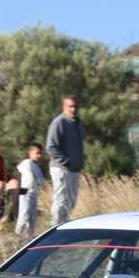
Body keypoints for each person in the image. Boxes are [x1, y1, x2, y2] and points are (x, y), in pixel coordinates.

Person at [46, 95, 85, 225]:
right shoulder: (59, 122)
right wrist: (66, 161)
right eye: (70, 106)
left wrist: (79, 161)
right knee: (60, 200)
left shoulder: (78, 123)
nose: (73, 109)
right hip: (61, 168)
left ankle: (63, 225)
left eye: (75, 106)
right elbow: (51, 147)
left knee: (71, 201)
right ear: (64, 107)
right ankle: (55, 227)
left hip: (75, 169)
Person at [15, 142, 45, 237]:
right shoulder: (26, 163)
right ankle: (18, 235)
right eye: (37, 153)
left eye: (40, 153)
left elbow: (41, 180)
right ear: (30, 153)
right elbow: (19, 168)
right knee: (24, 215)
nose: (39, 155)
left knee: (32, 217)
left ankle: (30, 237)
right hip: (25, 191)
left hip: (34, 193)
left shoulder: (37, 167)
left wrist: (43, 186)